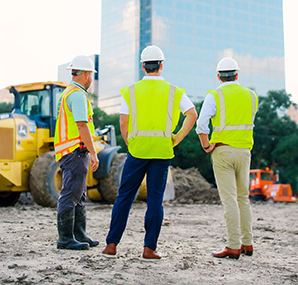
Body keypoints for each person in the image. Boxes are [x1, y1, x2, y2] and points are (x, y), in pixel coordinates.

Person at [102, 45, 198, 261]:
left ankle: (111, 245)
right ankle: (149, 249)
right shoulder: (174, 91)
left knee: (124, 197)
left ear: (143, 66)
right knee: (155, 199)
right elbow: (192, 114)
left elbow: (123, 122)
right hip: (163, 151)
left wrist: (131, 144)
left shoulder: (131, 91)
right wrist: (177, 137)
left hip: (137, 151)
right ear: (161, 65)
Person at [196, 57, 258, 260]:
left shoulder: (215, 95)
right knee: (243, 199)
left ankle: (233, 246)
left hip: (223, 152)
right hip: (244, 152)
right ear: (237, 75)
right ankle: (247, 243)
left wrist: (206, 145)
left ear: (218, 76)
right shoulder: (251, 96)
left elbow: (201, 124)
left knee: (229, 199)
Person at [54, 55, 101, 250]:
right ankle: (65, 239)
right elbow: (82, 126)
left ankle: (79, 235)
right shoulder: (77, 95)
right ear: (87, 75)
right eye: (91, 75)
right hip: (74, 151)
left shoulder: (70, 93)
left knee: (79, 194)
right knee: (71, 193)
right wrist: (94, 152)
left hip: (72, 151)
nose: (91, 79)